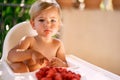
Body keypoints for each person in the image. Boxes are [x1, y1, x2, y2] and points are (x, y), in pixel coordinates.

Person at [7, 0, 68, 73]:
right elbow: (11, 57)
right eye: (42, 20)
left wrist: (61, 64)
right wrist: (31, 53)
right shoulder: (29, 41)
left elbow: (66, 65)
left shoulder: (58, 45)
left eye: (52, 20)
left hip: (47, 77)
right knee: (18, 67)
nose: (47, 24)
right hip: (29, 77)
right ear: (33, 24)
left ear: (58, 25)